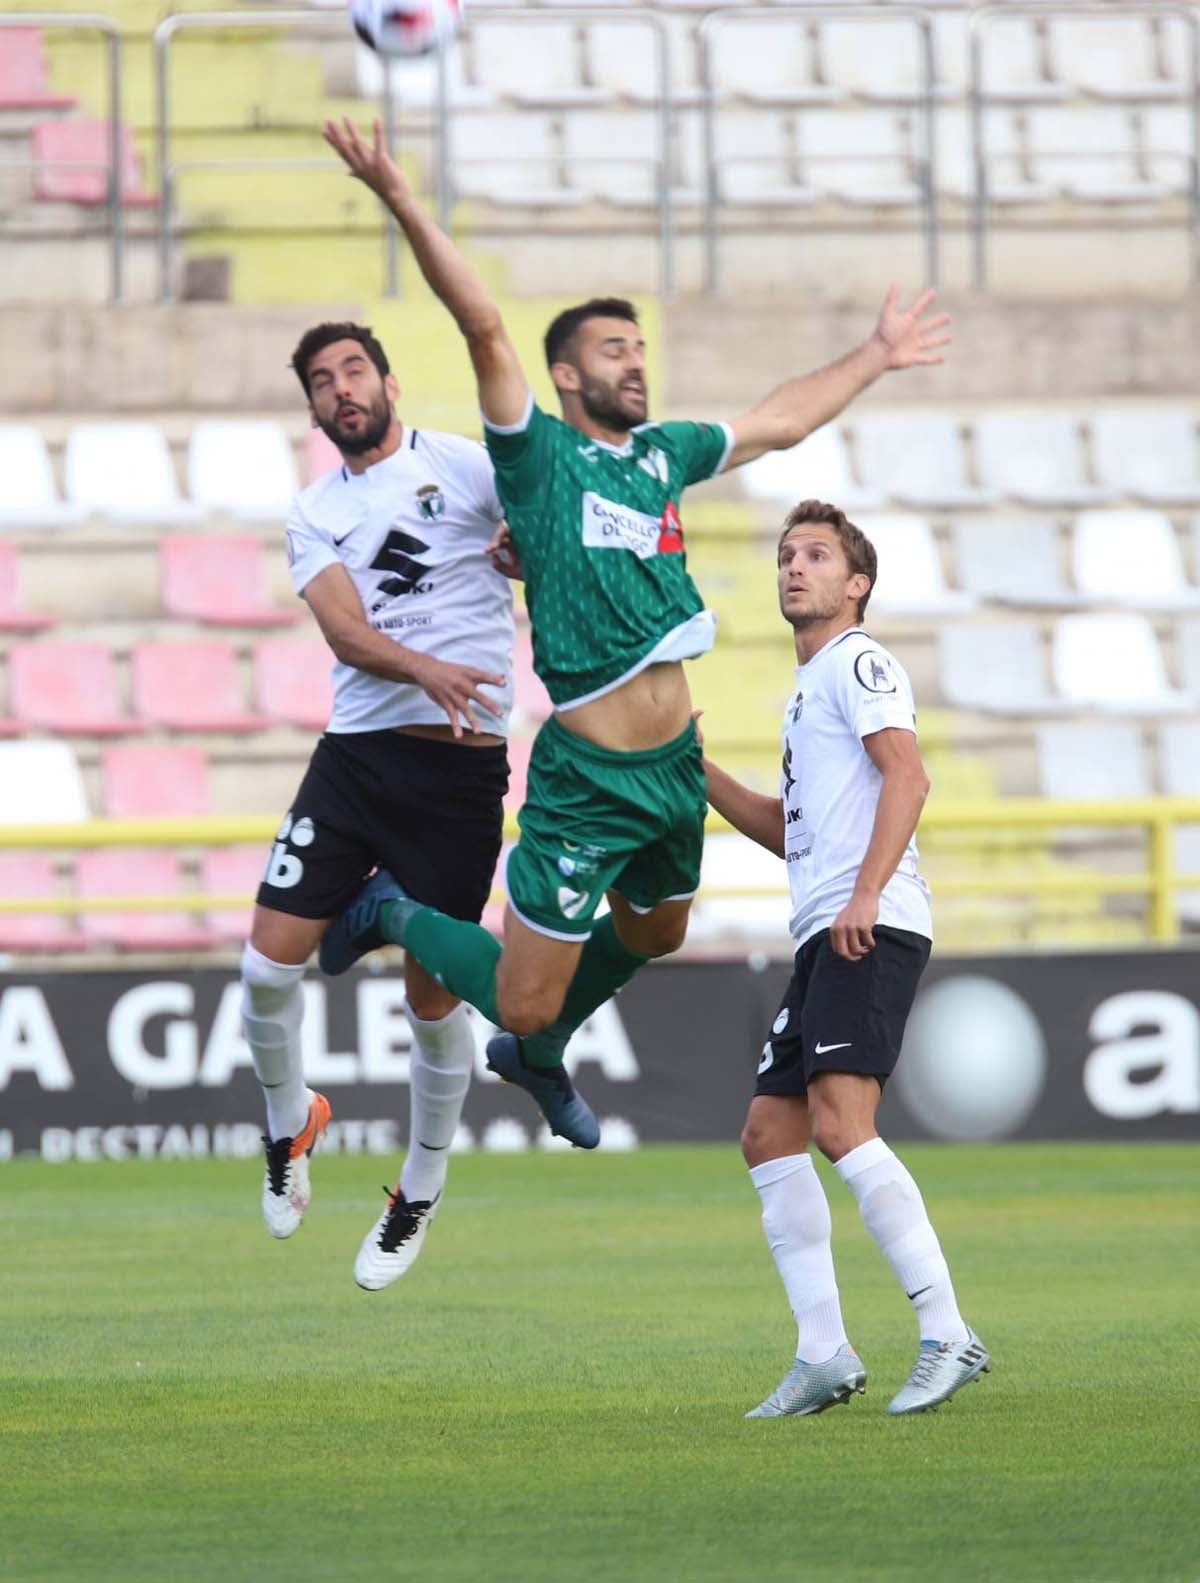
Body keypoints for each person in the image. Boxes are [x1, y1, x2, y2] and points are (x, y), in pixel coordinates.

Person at [318, 116, 951, 1157]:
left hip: (670, 763)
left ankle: (538, 1050)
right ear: (567, 375)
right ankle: (392, 911)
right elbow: (481, 326)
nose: (636, 363)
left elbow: (778, 420)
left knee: (660, 927)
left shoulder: (660, 456)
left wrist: (877, 356)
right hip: (588, 775)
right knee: (519, 1001)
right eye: (615, 350)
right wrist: (397, 195)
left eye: (641, 347)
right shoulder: (539, 456)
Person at [243, 319, 517, 1292]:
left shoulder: (471, 464)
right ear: (315, 409)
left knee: (431, 1000)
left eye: (353, 369)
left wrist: (525, 554)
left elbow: (533, 542)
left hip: (458, 778)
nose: (341, 388)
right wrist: (425, 668)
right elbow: (346, 632)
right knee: (264, 966)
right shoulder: (313, 511)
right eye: (321, 380)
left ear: (389, 380)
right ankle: (290, 1121)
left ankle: (419, 1189)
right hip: (357, 759)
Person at [703, 500, 990, 1418]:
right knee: (768, 1132)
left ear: (856, 583)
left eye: (817, 555)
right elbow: (788, 835)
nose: (795, 567)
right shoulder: (811, 685)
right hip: (826, 925)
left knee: (839, 1122)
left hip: (866, 921)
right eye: (787, 554)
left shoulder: (859, 660)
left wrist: (865, 893)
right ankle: (824, 1353)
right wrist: (695, 770)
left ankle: (948, 1330)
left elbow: (908, 773)